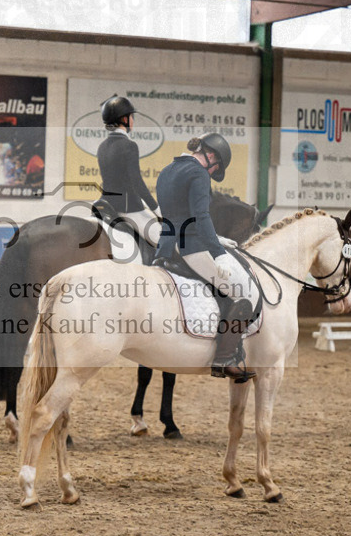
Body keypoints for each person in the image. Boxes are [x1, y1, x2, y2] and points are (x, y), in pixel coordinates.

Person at [154, 132, 257, 381]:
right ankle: (224, 358)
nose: (213, 172)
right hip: (191, 248)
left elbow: (177, 215)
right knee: (240, 296)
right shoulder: (198, 173)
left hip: (166, 246)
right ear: (211, 156)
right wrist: (218, 253)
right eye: (216, 167)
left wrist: (218, 238)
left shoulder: (167, 170)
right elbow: (200, 216)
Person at [95, 95, 162, 247]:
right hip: (128, 209)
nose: (133, 120)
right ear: (124, 119)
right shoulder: (129, 146)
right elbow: (137, 182)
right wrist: (156, 209)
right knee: (166, 242)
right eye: (132, 117)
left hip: (106, 205)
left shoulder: (102, 146)